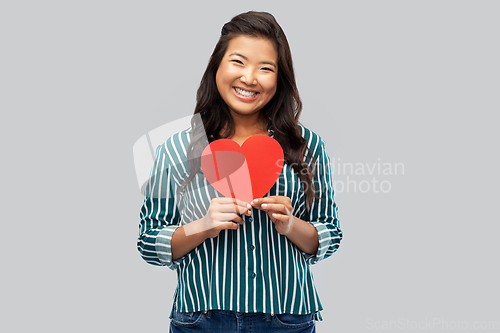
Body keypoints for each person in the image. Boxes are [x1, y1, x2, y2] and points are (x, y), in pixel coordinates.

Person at [137, 11, 343, 332]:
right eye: (238, 61)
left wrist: (291, 225)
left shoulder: (307, 146)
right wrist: (203, 226)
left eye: (265, 68)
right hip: (201, 318)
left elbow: (330, 233)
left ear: (280, 78)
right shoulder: (178, 148)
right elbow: (149, 241)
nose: (250, 78)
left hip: (286, 319)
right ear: (217, 66)